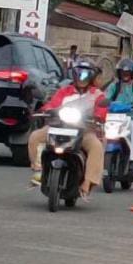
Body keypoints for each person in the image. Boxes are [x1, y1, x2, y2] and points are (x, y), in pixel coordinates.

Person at [27, 61, 107, 197]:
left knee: (96, 146)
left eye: (86, 75)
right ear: (74, 75)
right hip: (58, 126)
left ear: (91, 77)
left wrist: (97, 116)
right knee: (35, 137)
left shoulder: (97, 94)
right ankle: (38, 170)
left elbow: (102, 110)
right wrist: (48, 110)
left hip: (84, 130)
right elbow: (51, 105)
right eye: (79, 74)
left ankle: (87, 182)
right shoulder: (64, 91)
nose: (82, 78)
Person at [103, 59, 133, 163]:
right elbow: (105, 98)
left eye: (128, 73)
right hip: (113, 118)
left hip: (132, 118)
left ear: (132, 74)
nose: (125, 75)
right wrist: (102, 103)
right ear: (119, 73)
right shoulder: (113, 86)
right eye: (123, 73)